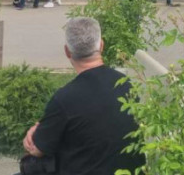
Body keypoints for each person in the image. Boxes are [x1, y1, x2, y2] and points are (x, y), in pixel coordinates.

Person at [20, 18, 144, 175]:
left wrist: (34, 131)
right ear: (101, 45)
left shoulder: (64, 99)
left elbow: (36, 149)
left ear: (67, 51)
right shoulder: (127, 84)